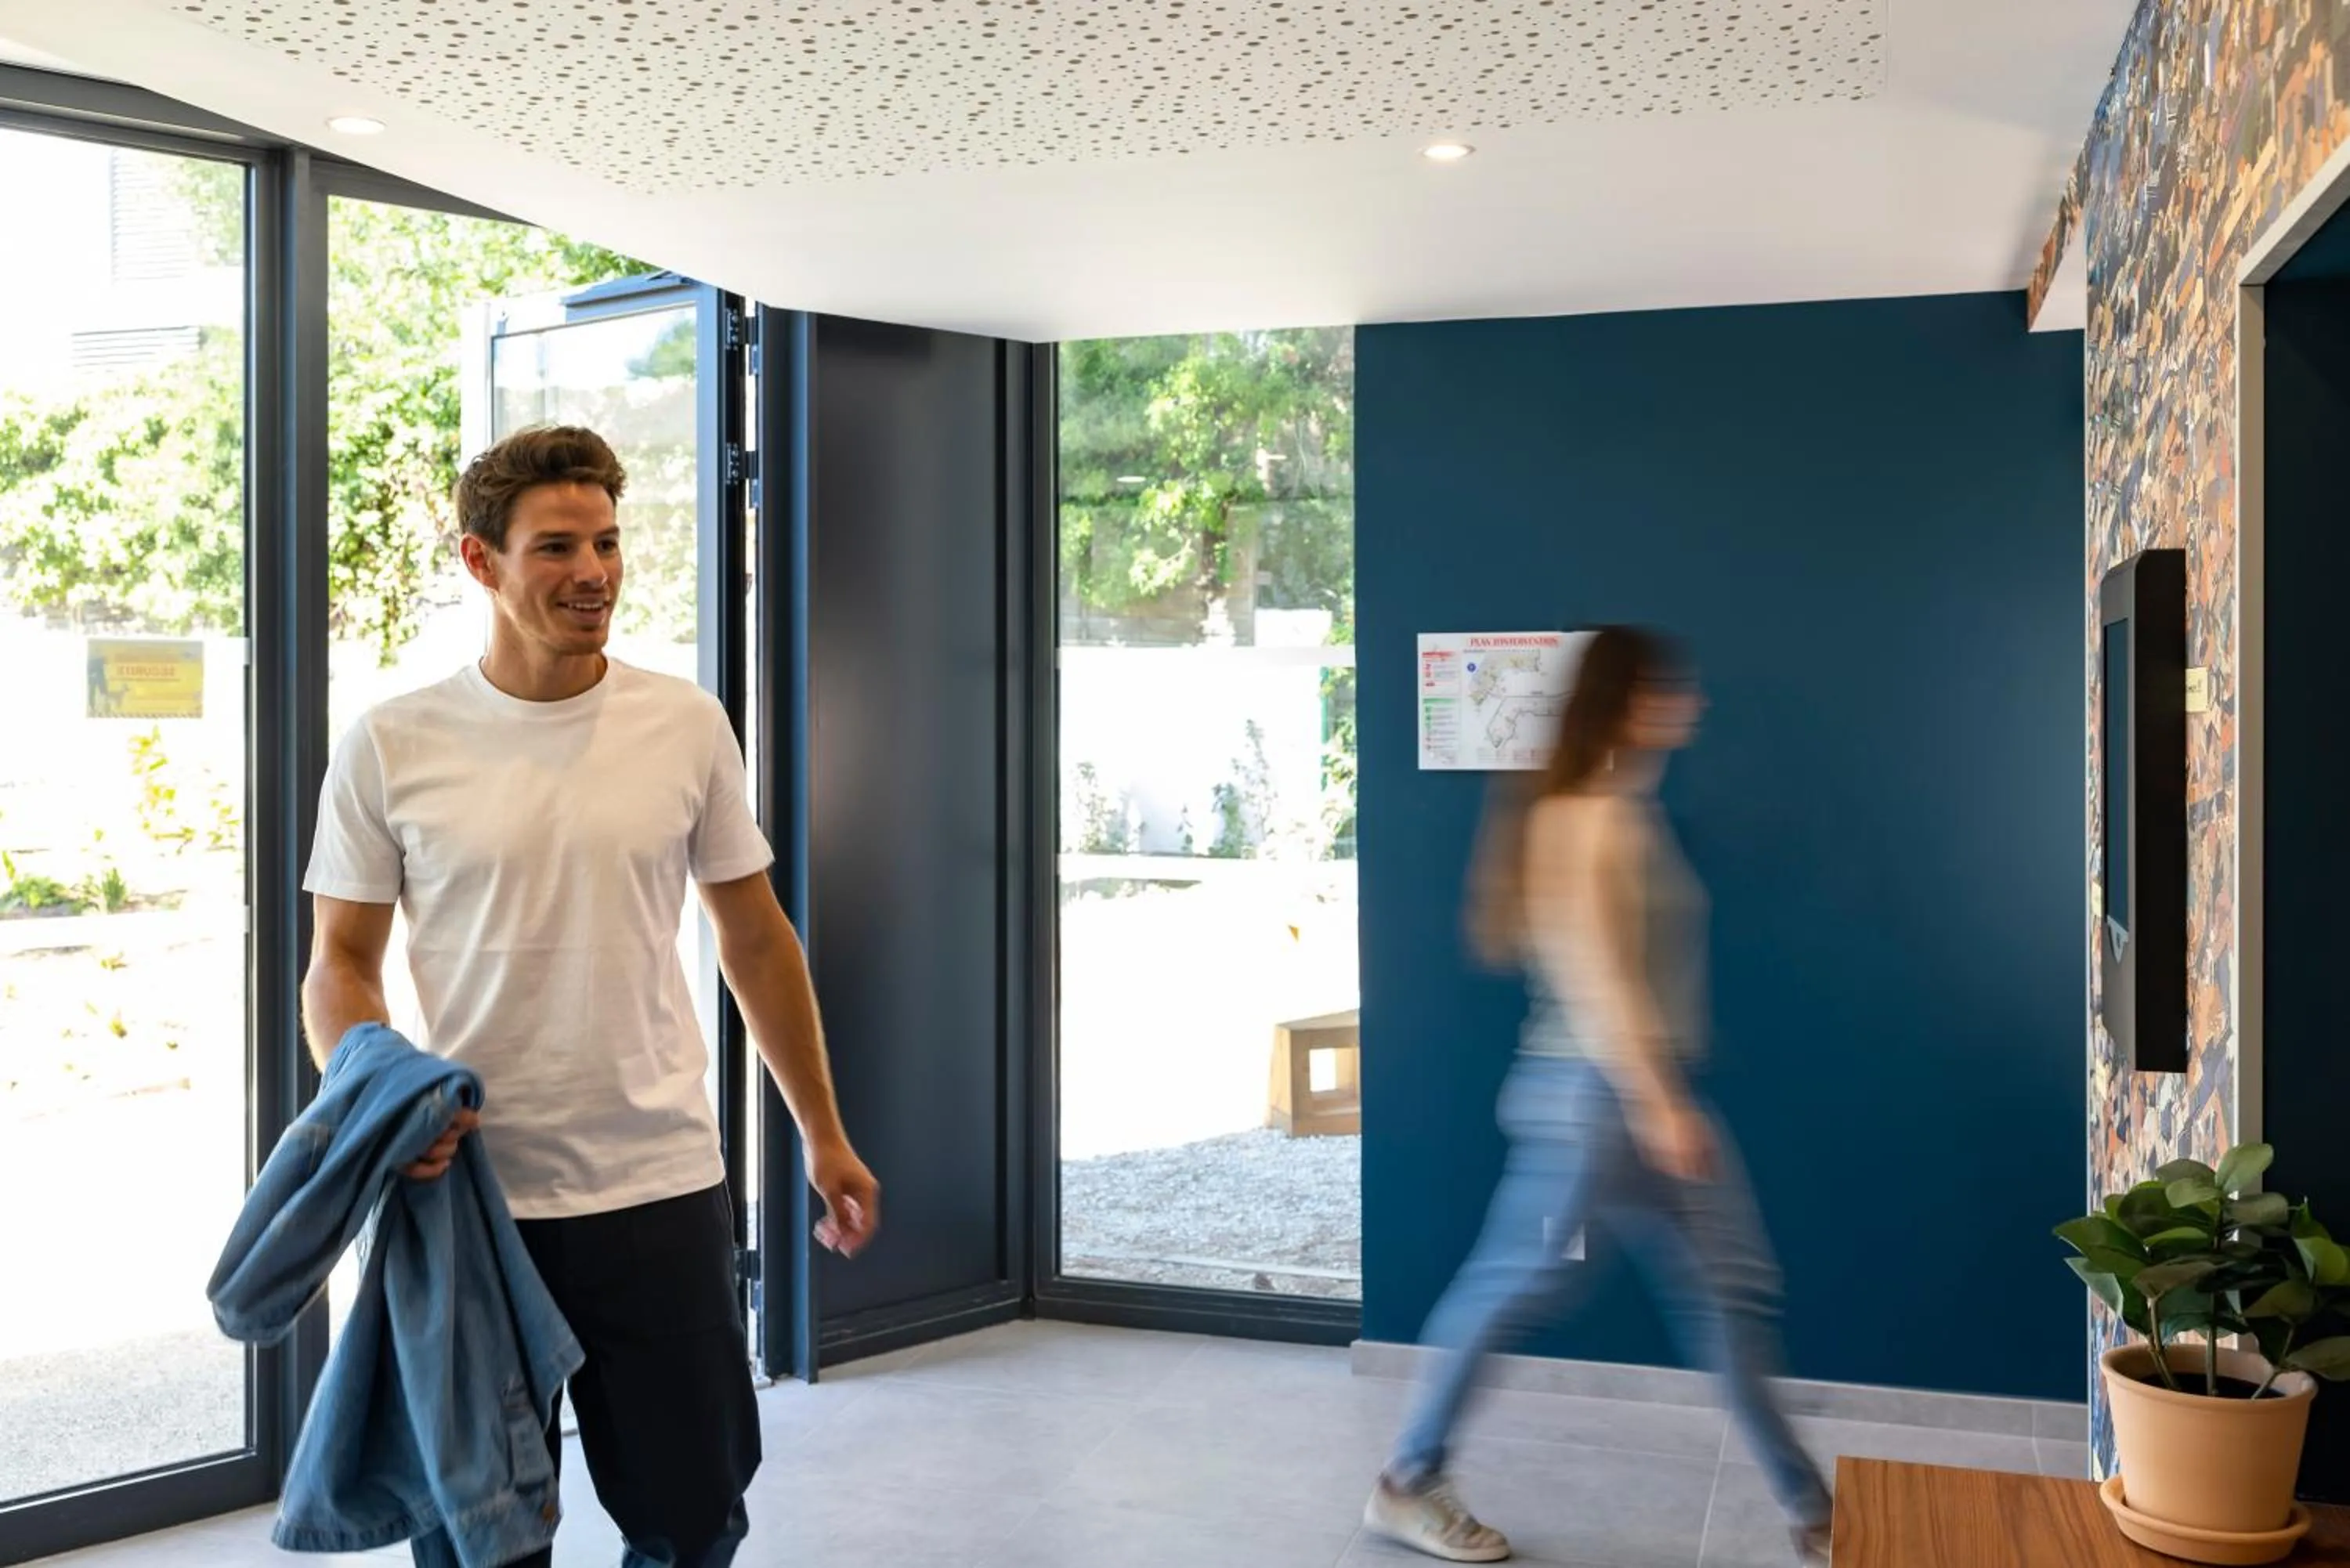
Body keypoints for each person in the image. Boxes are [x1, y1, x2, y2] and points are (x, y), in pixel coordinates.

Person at [301, 424, 878, 1568]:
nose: (594, 572)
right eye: (557, 545)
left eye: (608, 542)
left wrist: (824, 1133)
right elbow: (341, 964)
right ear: (482, 563)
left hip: (660, 1187)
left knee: (694, 1518)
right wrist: (376, 1104)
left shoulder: (684, 723)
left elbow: (754, 937)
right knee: (480, 1540)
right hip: (468, 1204)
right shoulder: (391, 742)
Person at [1362, 626, 1831, 1566]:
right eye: (1674, 688)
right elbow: (1597, 975)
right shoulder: (1589, 816)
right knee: (1515, 1285)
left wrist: (1660, 1099)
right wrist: (1661, 1102)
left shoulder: (1618, 805)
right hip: (1595, 1105)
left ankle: (1814, 1511)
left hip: (1625, 1100)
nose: (1692, 702)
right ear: (1631, 700)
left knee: (1729, 1295)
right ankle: (1408, 1481)